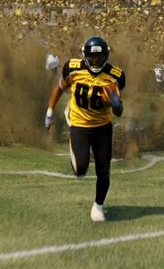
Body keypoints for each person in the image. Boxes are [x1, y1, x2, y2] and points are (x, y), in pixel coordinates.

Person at [45, 36, 125, 222]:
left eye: (99, 57)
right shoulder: (73, 68)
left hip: (103, 127)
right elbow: (60, 87)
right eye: (92, 57)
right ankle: (69, 112)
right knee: (80, 170)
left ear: (106, 56)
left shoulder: (115, 75)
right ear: (85, 55)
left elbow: (119, 110)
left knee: (103, 171)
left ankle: (98, 206)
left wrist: (114, 101)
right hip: (79, 124)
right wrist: (49, 110)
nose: (96, 60)